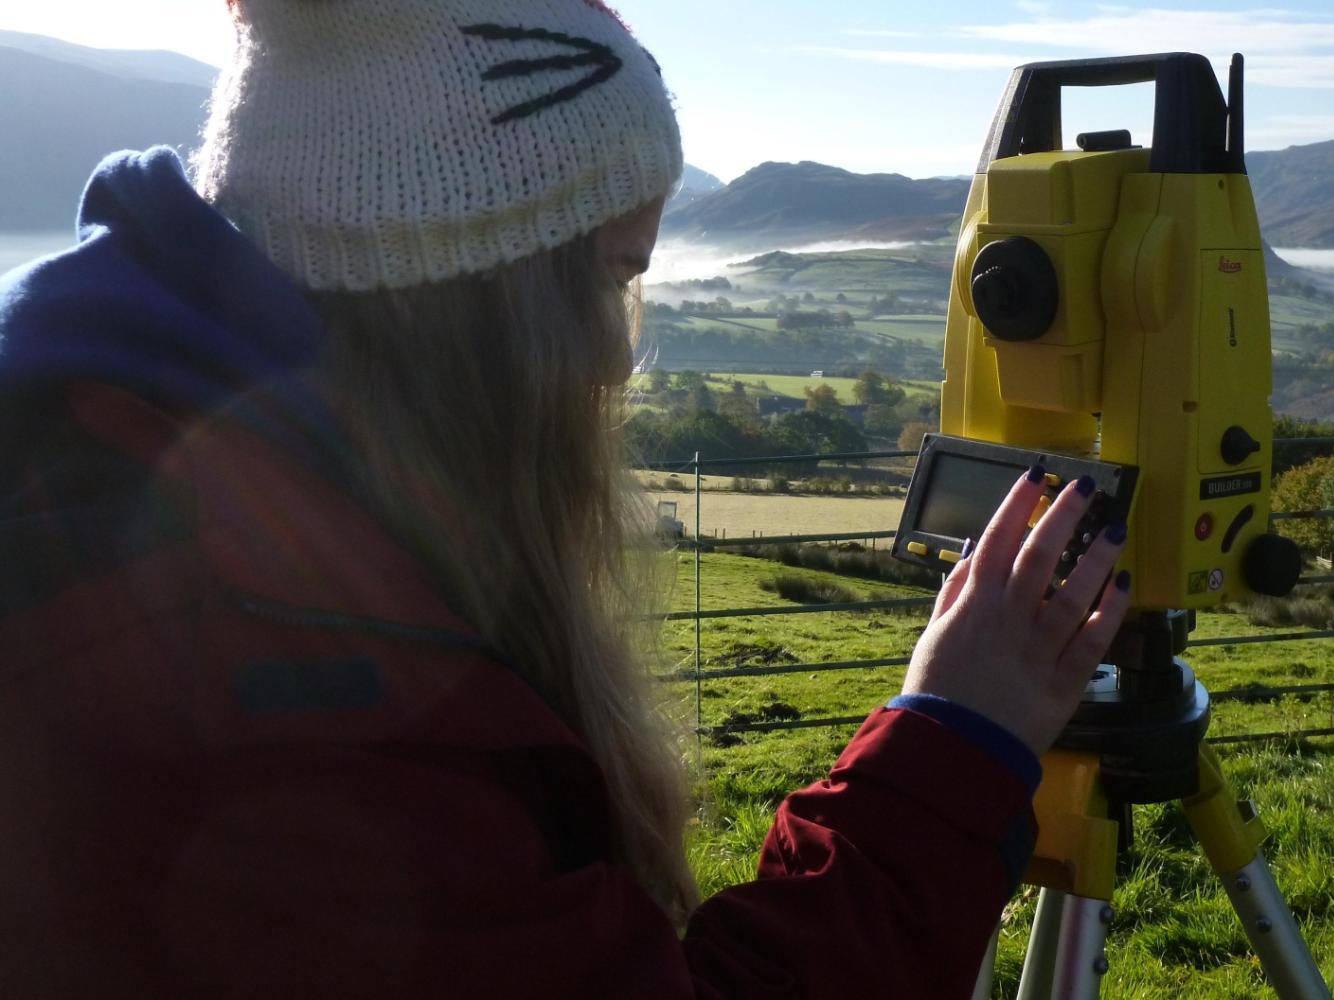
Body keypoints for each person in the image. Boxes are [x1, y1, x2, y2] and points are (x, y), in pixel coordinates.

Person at [0, 0, 1130, 996]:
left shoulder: (99, 457)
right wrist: (955, 738)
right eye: (614, 280)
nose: (611, 367)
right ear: (487, 298)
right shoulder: (273, 682)